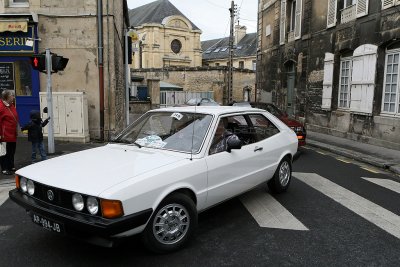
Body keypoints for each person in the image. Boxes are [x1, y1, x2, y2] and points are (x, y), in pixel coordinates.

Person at [0, 90, 19, 175]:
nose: (13, 97)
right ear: (6, 97)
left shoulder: (11, 105)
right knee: (4, 152)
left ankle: (11, 165)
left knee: (11, 151)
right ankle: (4, 168)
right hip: (4, 134)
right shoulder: (0, 107)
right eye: (12, 96)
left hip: (12, 133)